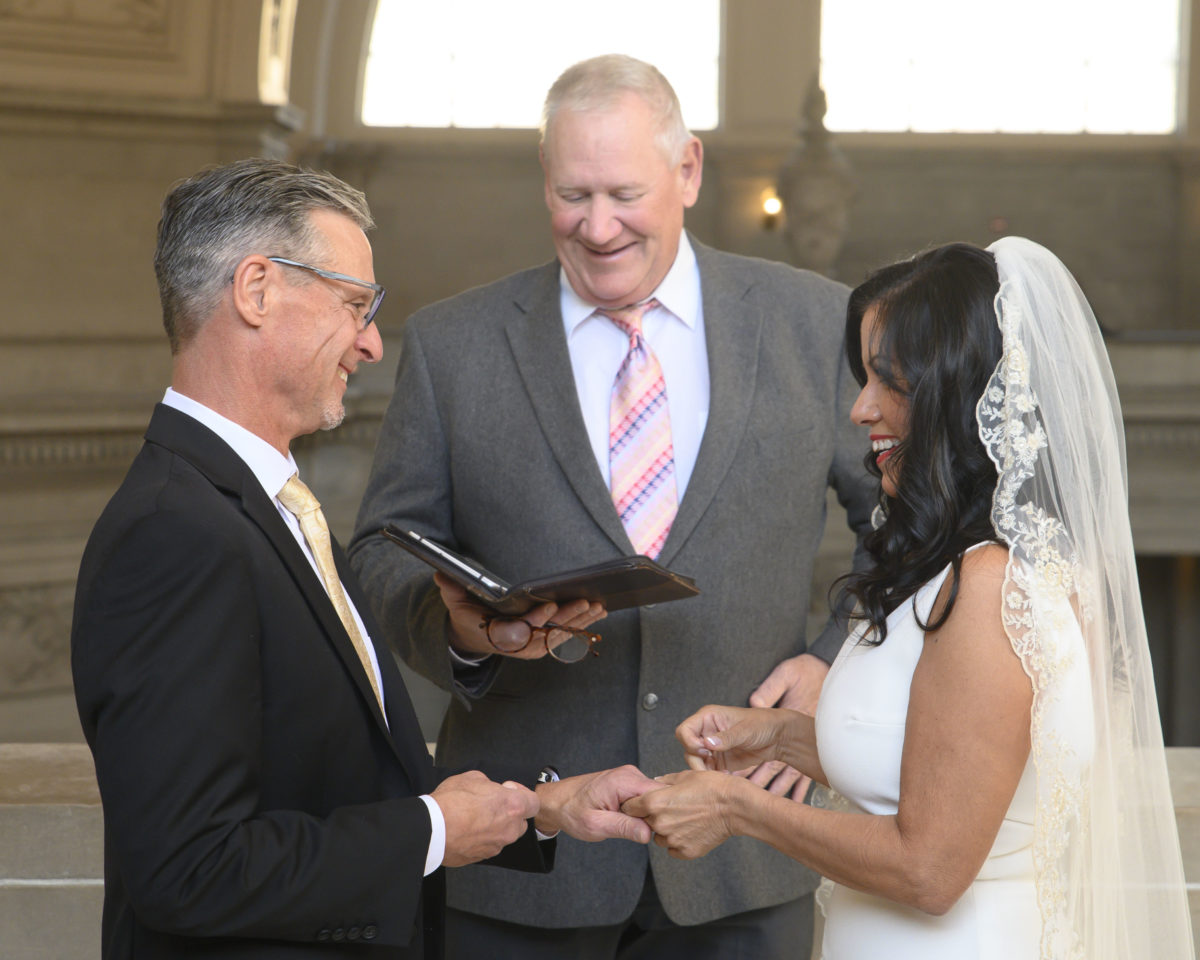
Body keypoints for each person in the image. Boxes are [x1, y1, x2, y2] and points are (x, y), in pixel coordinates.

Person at [348, 55, 875, 958]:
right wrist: (465, 632)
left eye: (624, 192)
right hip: (519, 854)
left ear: (689, 172)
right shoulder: (452, 343)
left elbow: (905, 527)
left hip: (745, 850)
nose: (597, 228)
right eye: (571, 194)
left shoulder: (816, 323)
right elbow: (379, 551)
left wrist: (838, 662)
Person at [71, 157, 658, 960]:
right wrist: (433, 828)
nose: (374, 343)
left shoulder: (269, 508)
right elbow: (189, 869)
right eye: (356, 305)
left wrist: (542, 809)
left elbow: (337, 783)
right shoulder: (174, 535)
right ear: (256, 291)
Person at [624, 237, 1196, 959]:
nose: (861, 409)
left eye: (887, 381)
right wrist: (779, 739)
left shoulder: (988, 589)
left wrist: (738, 809)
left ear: (959, 393)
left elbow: (929, 869)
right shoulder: (960, 569)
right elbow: (938, 766)